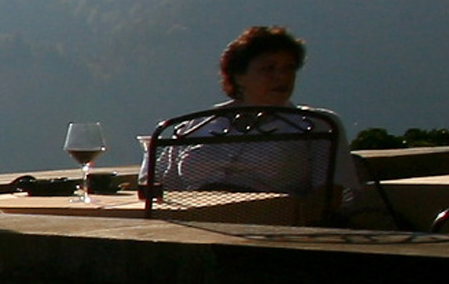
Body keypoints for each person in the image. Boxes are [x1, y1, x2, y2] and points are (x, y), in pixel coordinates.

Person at [143, 25, 350, 202]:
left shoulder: (316, 126)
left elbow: (328, 197)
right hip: (197, 222)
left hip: (273, 229)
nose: (282, 77)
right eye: (269, 69)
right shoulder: (197, 125)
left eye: (289, 69)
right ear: (239, 76)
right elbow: (158, 184)